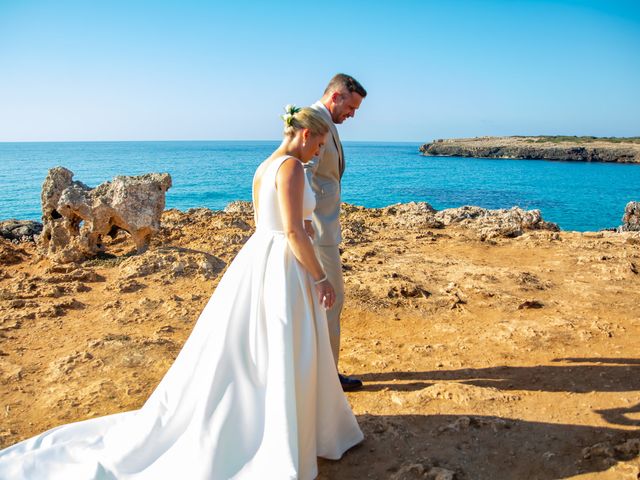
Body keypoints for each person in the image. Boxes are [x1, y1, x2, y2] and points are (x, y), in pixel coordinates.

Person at [0, 106, 364, 479]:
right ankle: (278, 428)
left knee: (257, 346)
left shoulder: (264, 166)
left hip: (259, 259)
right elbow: (291, 232)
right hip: (284, 264)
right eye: (318, 144)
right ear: (305, 135)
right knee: (286, 341)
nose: (318, 153)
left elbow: (269, 220)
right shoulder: (289, 167)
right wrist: (320, 278)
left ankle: (265, 416)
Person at [304, 74, 367, 391]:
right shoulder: (315, 123)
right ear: (337, 96)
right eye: (352, 107)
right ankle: (327, 376)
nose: (353, 115)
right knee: (331, 299)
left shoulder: (321, 121)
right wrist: (303, 225)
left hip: (319, 226)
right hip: (317, 230)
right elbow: (301, 172)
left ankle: (314, 369)